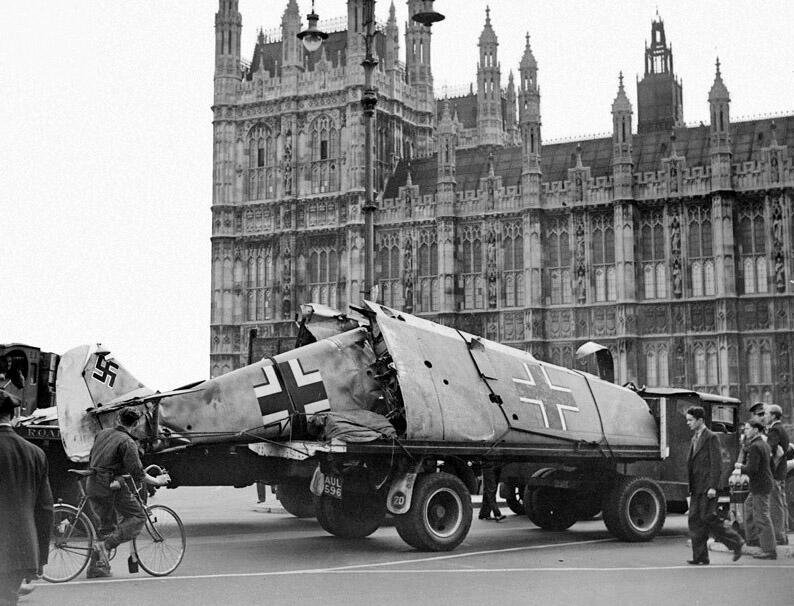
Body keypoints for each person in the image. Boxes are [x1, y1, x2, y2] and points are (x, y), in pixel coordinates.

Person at [85, 406, 169, 578]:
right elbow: (138, 473)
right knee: (138, 516)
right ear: (136, 423)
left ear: (118, 419)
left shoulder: (102, 434)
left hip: (92, 483)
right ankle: (106, 546)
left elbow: (94, 458)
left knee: (106, 527)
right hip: (109, 486)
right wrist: (158, 481)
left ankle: (97, 568)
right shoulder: (128, 442)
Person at [0, 390, 53, 606]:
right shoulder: (35, 453)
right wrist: (40, 557)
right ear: (13, 415)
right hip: (21, 549)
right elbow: (45, 510)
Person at [685, 406, 743, 565]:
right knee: (694, 520)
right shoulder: (695, 437)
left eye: (690, 420)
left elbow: (716, 464)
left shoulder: (711, 437)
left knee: (708, 517)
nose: (688, 423)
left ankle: (736, 542)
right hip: (696, 487)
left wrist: (713, 486)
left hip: (707, 487)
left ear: (700, 420)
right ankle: (700, 557)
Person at [735, 419, 777, 559]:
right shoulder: (764, 444)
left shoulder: (755, 446)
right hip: (763, 483)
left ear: (755, 430)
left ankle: (769, 550)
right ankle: (753, 539)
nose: (745, 431)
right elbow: (771, 465)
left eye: (747, 429)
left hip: (760, 485)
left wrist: (740, 467)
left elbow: (752, 469)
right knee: (748, 505)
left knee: (762, 516)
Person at [763, 403, 790, 545]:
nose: (764, 416)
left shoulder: (775, 430)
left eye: (766, 414)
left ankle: (779, 536)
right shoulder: (781, 429)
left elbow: (770, 450)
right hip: (780, 472)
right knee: (781, 503)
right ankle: (783, 534)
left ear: (773, 416)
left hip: (774, 473)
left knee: (775, 504)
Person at [741, 402, 767, 546]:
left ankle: (762, 541)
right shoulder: (749, 434)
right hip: (753, 474)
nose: (760, 417)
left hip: (760, 475)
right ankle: (753, 538)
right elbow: (743, 451)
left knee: (761, 512)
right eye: (757, 414)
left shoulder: (765, 434)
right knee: (752, 507)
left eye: (762, 414)